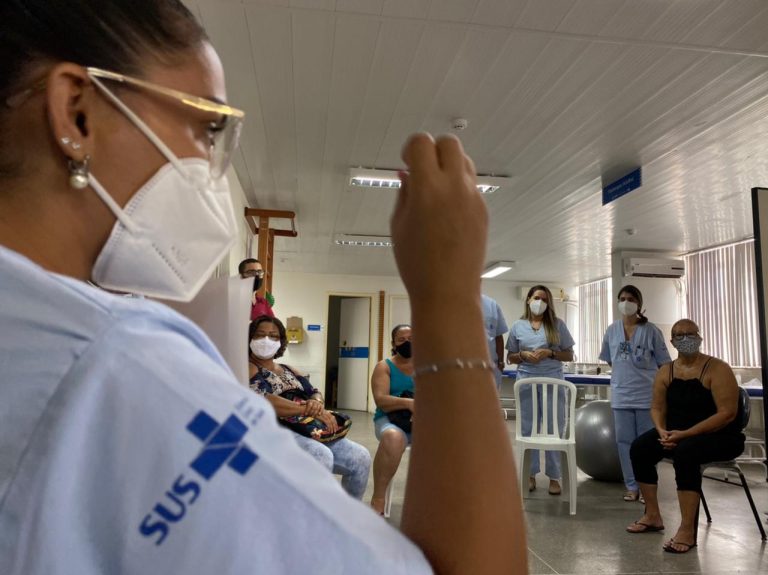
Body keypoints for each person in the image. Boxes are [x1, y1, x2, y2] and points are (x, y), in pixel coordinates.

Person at [0, 1, 527, 571]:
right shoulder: (116, 368)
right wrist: (448, 293)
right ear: (76, 112)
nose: (212, 168)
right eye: (206, 128)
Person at [627, 319, 744, 554]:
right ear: (672, 341)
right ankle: (652, 515)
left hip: (719, 436)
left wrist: (685, 435)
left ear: (699, 337)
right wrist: (661, 430)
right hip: (677, 434)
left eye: (690, 334)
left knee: (686, 452)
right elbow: (657, 408)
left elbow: (727, 413)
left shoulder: (717, 369)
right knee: (640, 448)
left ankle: (687, 530)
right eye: (679, 335)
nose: (685, 339)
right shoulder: (666, 371)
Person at [248, 316, 371, 499]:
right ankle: (309, 520)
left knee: (361, 457)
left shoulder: (289, 369)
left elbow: (314, 392)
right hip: (276, 431)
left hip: (307, 427)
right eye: (260, 335)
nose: (267, 340)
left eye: (273, 336)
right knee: (320, 455)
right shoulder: (248, 367)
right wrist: (306, 409)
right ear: (249, 339)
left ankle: (346, 518)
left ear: (280, 341)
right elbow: (264, 400)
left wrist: (317, 404)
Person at [599, 285, 671, 501]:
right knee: (624, 443)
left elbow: (665, 365)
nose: (626, 302)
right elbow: (610, 359)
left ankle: (647, 486)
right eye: (622, 298)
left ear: (639, 303)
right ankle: (631, 486)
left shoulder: (651, 331)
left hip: (647, 397)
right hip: (621, 396)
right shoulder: (612, 330)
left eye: (630, 298)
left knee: (646, 445)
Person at [506, 285, 575, 495]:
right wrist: (524, 356)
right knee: (528, 427)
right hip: (526, 380)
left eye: (544, 299)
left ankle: (554, 476)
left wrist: (550, 353)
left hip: (552, 379)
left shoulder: (557, 325)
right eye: (537, 298)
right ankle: (530, 473)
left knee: (555, 427)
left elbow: (569, 355)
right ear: (528, 300)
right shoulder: (518, 326)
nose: (540, 302)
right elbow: (511, 356)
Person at [370, 324, 415, 514]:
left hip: (423, 423)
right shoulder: (384, 366)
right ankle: (378, 498)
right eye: (401, 340)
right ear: (393, 344)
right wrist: (409, 403)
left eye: (411, 339)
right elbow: (381, 400)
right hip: (390, 420)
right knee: (393, 437)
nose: (407, 343)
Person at [482, 294, 509, 391]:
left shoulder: (492, 305)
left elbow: (498, 336)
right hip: (460, 368)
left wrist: (501, 363)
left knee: (488, 404)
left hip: (490, 368)